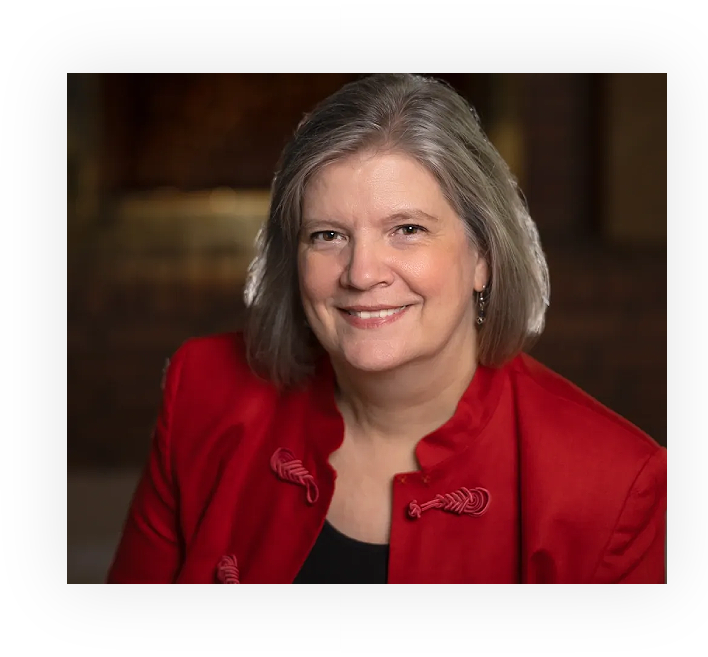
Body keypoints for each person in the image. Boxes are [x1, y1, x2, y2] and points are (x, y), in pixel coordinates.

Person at [107, 73, 666, 584]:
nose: (362, 273)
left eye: (406, 229)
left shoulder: (618, 483)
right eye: (327, 235)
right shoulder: (203, 391)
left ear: (483, 258)